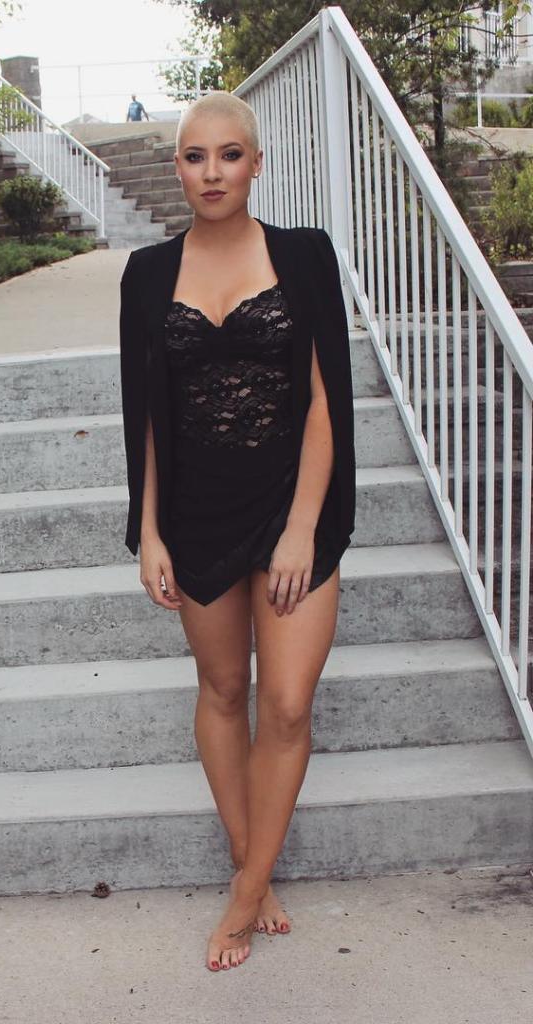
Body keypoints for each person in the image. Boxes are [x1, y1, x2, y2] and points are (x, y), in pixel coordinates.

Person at [118, 91, 357, 973]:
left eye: (228, 155)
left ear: (256, 163)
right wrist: (149, 532)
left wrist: (302, 529)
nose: (211, 172)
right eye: (194, 156)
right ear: (178, 167)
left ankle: (247, 895)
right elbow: (147, 415)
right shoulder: (147, 274)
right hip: (195, 513)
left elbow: (326, 401)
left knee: (286, 702)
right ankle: (250, 861)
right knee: (223, 690)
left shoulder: (304, 255)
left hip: (294, 507)